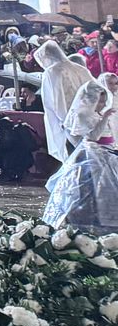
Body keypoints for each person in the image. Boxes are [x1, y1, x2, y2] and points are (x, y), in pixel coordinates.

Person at [43, 74, 118, 231]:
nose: (103, 103)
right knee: (90, 189)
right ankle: (87, 220)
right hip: (93, 154)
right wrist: (104, 118)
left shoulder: (98, 113)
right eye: (100, 100)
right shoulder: (84, 114)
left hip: (107, 153)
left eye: (104, 100)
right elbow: (93, 136)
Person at [35, 40, 95, 162]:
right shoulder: (80, 69)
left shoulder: (51, 72)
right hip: (86, 118)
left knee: (74, 158)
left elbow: (53, 101)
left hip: (66, 121)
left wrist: (63, 120)